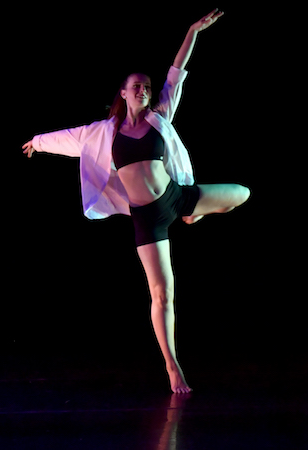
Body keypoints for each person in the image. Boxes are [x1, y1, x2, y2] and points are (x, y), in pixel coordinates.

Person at [22, 10, 250, 393]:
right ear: (124, 93)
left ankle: (195, 217)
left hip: (177, 197)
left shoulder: (161, 116)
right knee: (163, 293)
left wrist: (193, 31)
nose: (143, 89)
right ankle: (172, 366)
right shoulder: (105, 133)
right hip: (148, 218)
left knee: (241, 193)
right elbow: (69, 138)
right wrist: (38, 142)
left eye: (147, 85)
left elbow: (178, 70)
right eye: (136, 86)